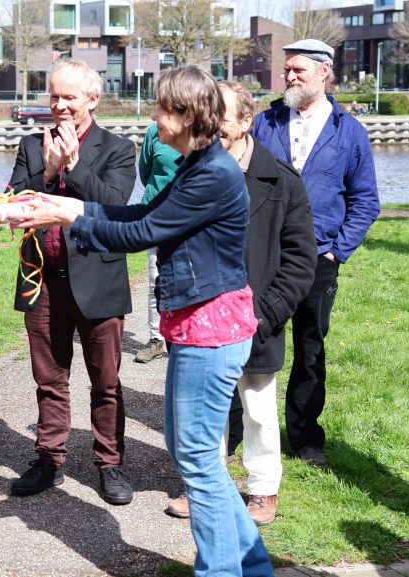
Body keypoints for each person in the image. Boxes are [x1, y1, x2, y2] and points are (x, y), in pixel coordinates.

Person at [16, 65, 274, 577]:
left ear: (187, 115)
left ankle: (220, 570)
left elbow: (144, 232)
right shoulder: (196, 164)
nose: (153, 116)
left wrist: (72, 218)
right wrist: (73, 205)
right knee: (195, 455)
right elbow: (143, 213)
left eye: (161, 108)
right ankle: (253, 565)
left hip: (210, 329)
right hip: (197, 325)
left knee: (198, 463)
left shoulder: (213, 174)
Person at [165, 81, 317, 526]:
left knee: (257, 408)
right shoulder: (190, 172)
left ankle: (263, 489)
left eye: (221, 119)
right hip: (199, 319)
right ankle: (205, 485)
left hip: (255, 320)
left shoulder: (283, 182)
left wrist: (263, 315)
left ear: (247, 122)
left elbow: (299, 262)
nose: (211, 128)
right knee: (202, 409)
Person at [8, 58, 137, 505]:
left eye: (69, 97)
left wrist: (76, 166)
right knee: (50, 379)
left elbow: (115, 207)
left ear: (92, 100)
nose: (60, 106)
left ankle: (110, 463)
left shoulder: (118, 148)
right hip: (43, 281)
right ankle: (49, 459)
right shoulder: (30, 145)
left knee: (105, 380)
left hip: (98, 282)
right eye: (54, 97)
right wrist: (45, 171)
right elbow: (12, 205)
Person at [252, 39, 380, 468]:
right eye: (286, 69)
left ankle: (305, 437)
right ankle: (240, 432)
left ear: (324, 73)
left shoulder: (350, 131)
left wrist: (337, 253)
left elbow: (365, 201)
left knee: (310, 347)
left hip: (319, 259)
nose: (288, 76)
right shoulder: (264, 124)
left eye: (297, 70)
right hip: (265, 256)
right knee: (253, 340)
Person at [133, 122, 181, 364]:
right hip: (157, 215)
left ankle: (181, 339)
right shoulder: (154, 131)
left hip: (189, 216)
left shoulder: (205, 129)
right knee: (155, 279)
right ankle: (156, 338)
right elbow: (145, 172)